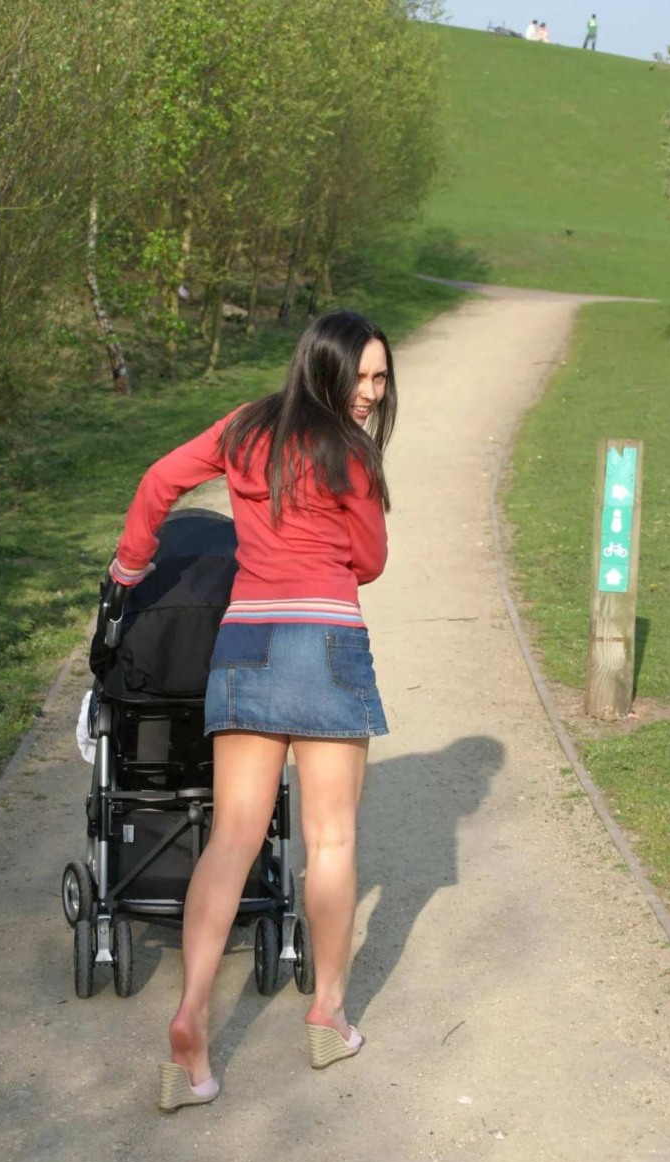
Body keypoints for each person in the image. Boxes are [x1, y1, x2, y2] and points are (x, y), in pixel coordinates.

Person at [110, 310, 396, 1111]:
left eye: (380, 379)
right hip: (327, 642)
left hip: (245, 643)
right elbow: (368, 561)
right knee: (331, 836)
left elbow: (160, 480)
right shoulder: (350, 453)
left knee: (233, 838)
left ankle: (191, 1020)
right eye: (361, 377)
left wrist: (132, 565)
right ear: (325, 369)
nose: (371, 393)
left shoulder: (244, 429)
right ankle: (328, 1015)